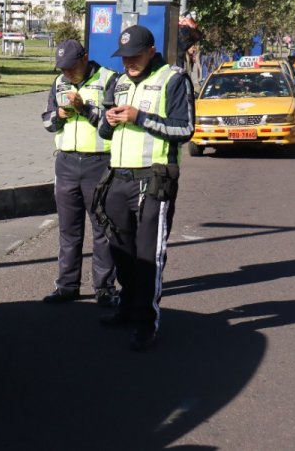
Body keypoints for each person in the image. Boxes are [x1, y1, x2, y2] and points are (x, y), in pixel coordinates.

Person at [95, 25, 195, 351]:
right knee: (120, 250)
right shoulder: (120, 82)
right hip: (118, 177)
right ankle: (127, 306)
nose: (129, 64)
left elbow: (185, 129)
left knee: (148, 255)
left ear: (151, 50)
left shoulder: (173, 78)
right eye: (124, 58)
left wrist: (139, 116)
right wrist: (106, 121)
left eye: (135, 56)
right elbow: (105, 131)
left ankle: (146, 322)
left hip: (154, 178)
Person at [40, 39, 119, 307]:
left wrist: (84, 108)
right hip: (66, 163)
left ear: (84, 59)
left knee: (102, 229)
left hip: (99, 163)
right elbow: (47, 121)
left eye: (71, 67)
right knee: (68, 230)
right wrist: (59, 115)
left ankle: (105, 288)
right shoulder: (59, 83)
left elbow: (111, 122)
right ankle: (67, 286)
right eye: (62, 68)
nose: (67, 73)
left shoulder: (109, 79)